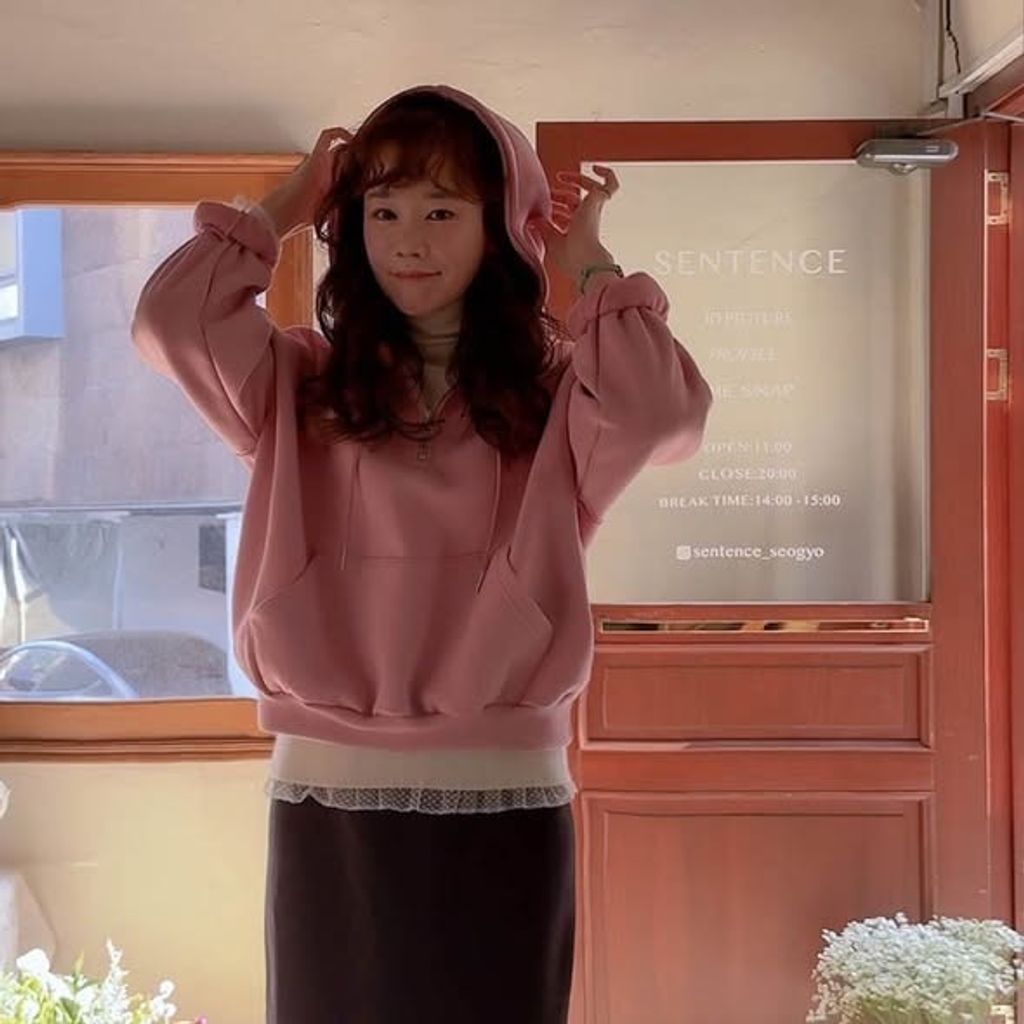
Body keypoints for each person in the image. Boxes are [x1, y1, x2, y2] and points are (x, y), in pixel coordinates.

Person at [131, 83, 712, 1024]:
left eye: (442, 211)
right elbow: (172, 321)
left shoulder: (557, 396)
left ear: (500, 227)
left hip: (504, 784)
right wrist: (285, 204)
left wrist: (589, 265)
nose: (409, 239)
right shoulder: (298, 383)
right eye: (382, 209)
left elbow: (660, 413)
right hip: (326, 781)